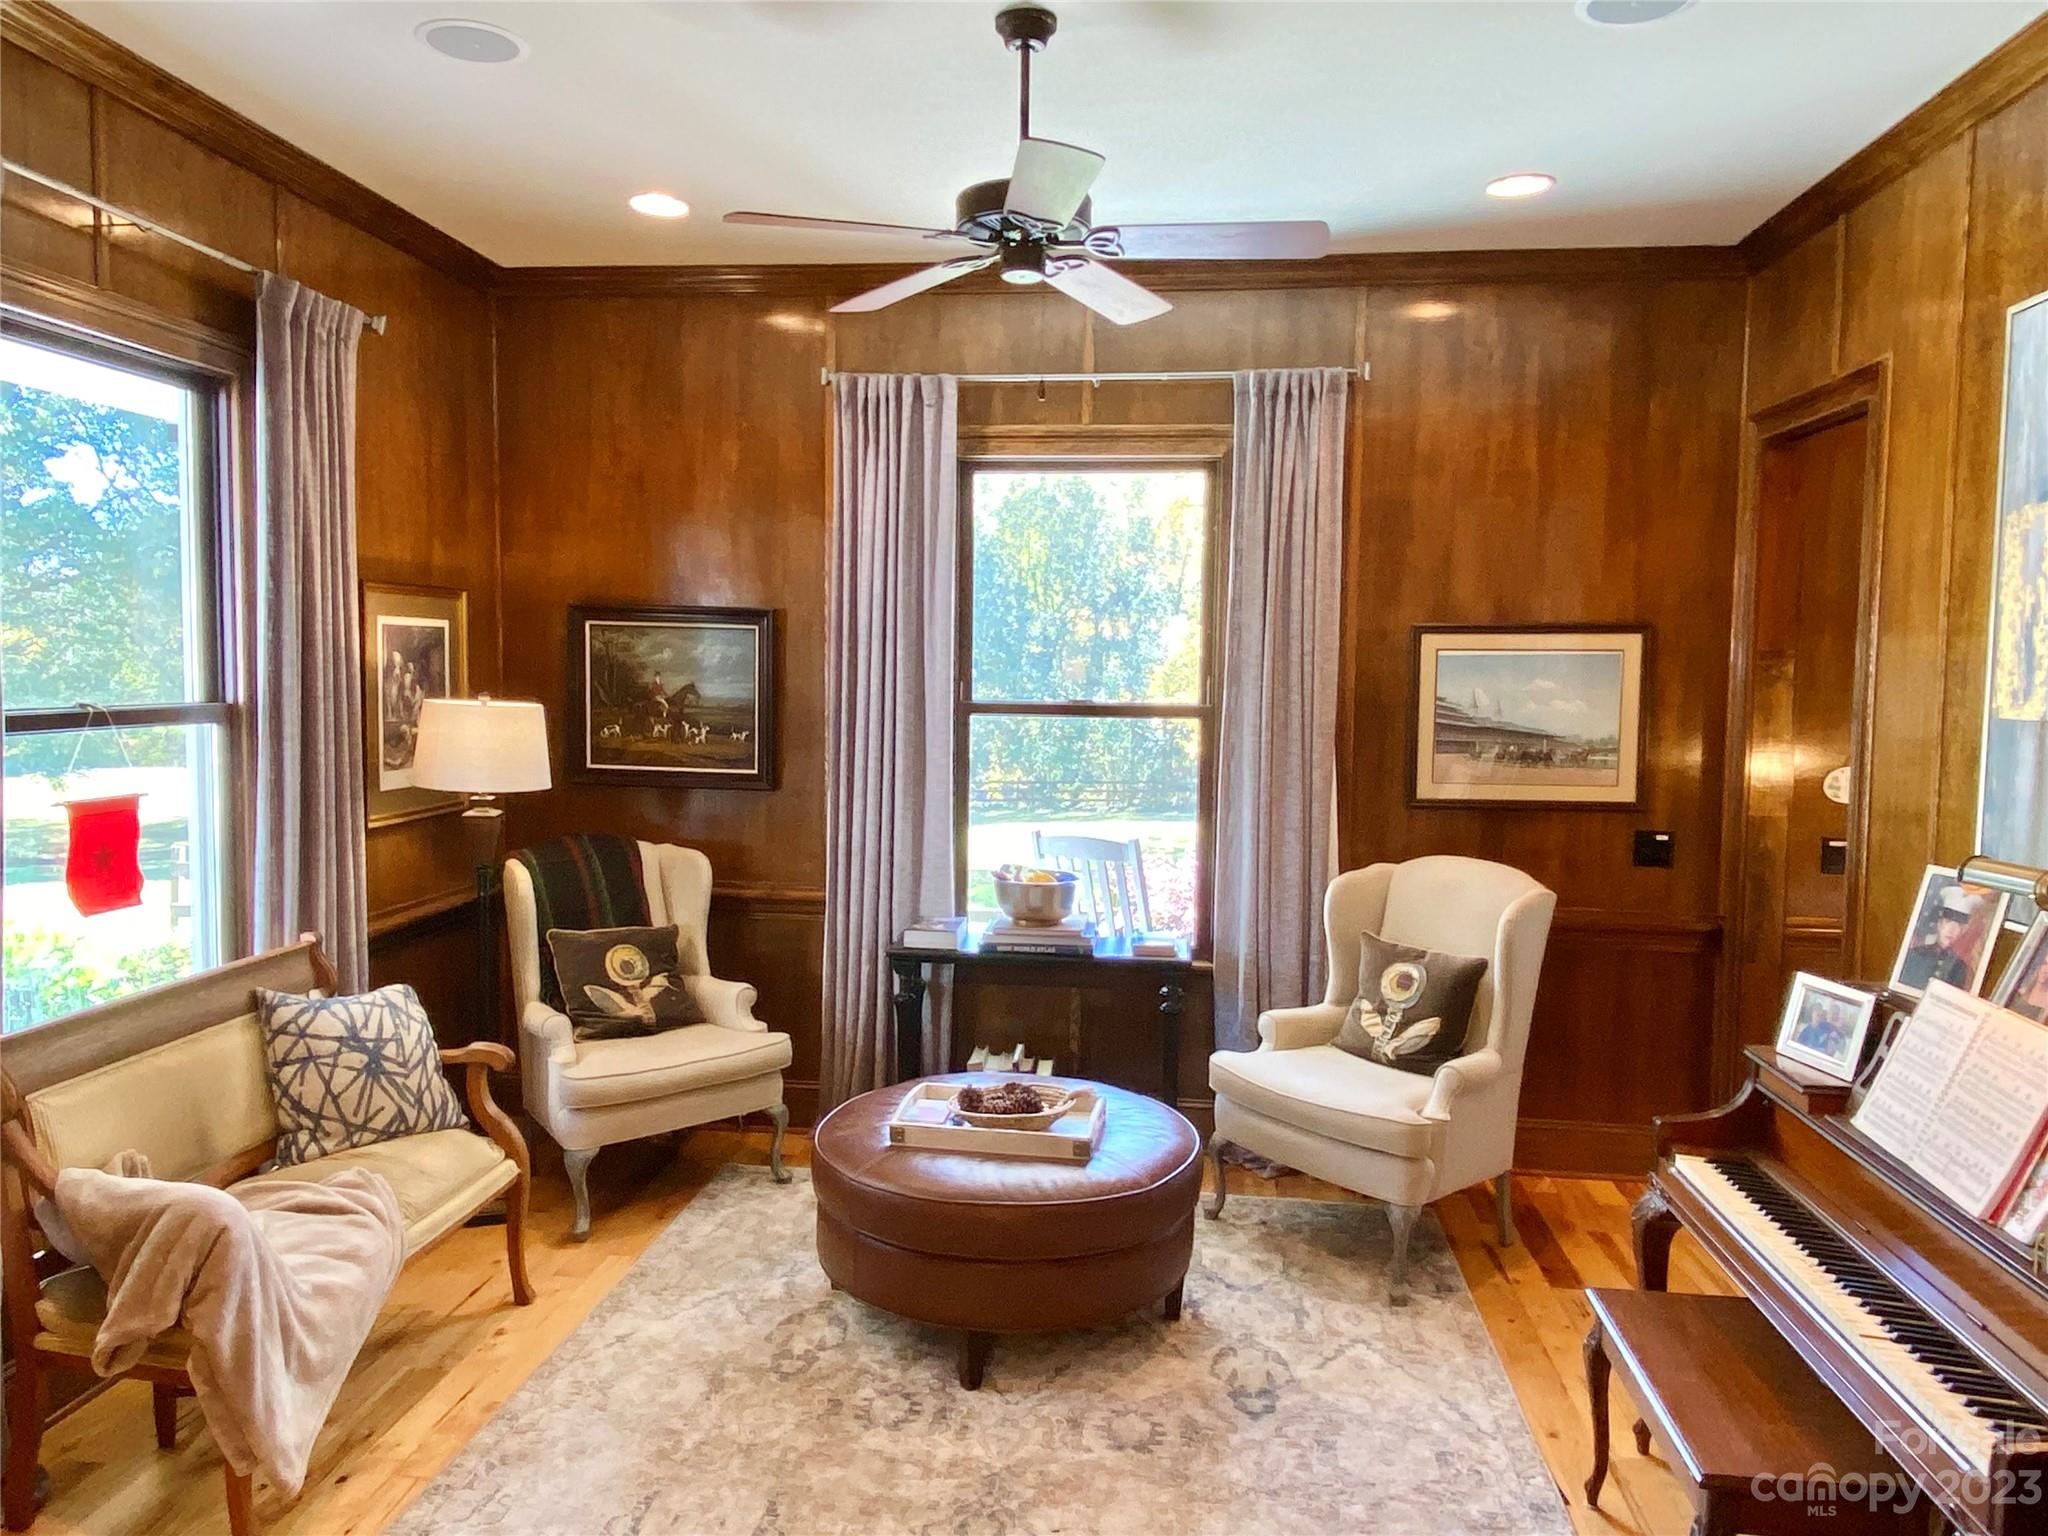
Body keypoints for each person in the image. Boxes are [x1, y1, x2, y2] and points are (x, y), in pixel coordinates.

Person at [1897, 884, 1989, 993]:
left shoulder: (1959, 968)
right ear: (1939, 925)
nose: (1951, 930)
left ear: (1962, 931)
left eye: (1958, 925)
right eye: (1948, 922)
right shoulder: (1914, 955)